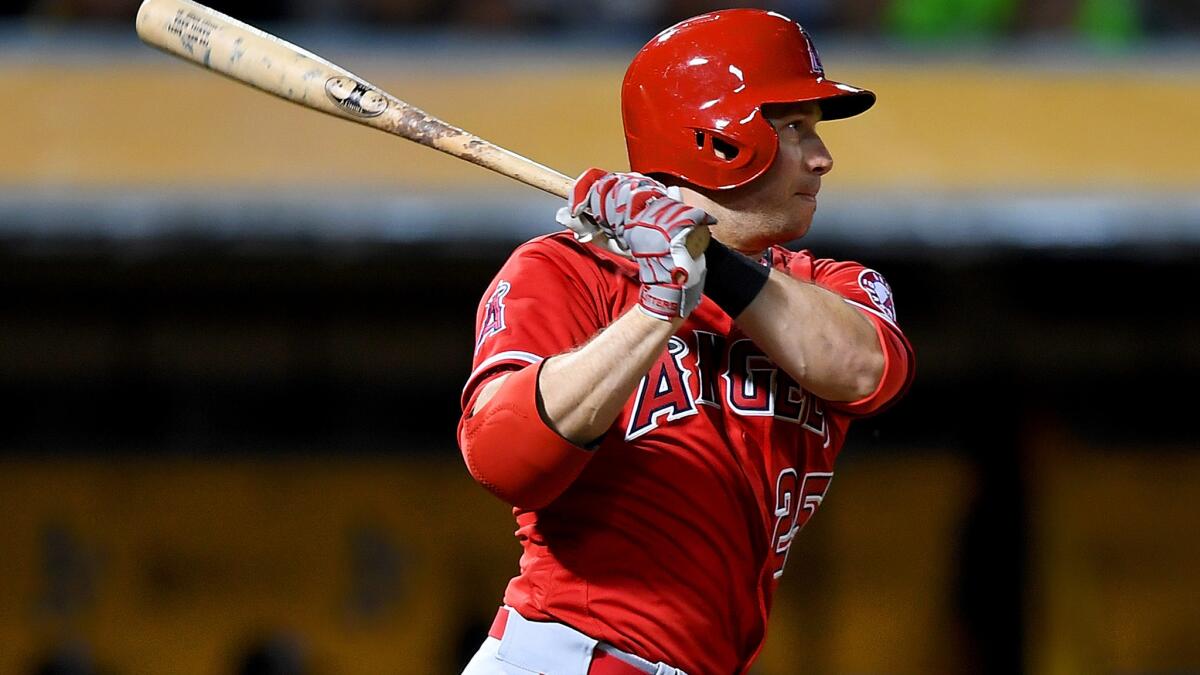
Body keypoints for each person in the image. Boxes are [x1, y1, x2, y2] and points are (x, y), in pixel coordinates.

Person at [457, 9, 914, 675]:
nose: (822, 157)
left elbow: (866, 369)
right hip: (567, 654)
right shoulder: (565, 270)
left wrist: (702, 260)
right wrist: (656, 306)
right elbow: (503, 457)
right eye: (792, 128)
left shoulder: (829, 284)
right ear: (716, 136)